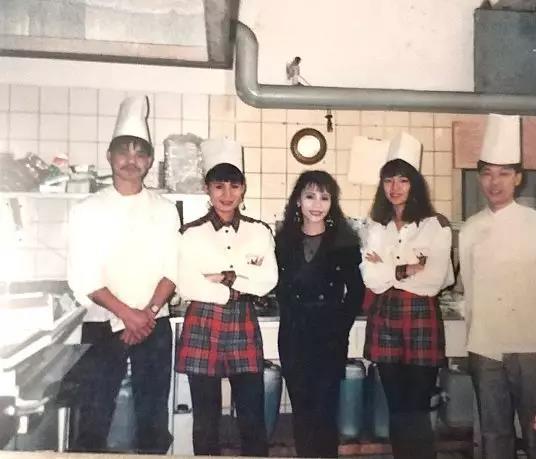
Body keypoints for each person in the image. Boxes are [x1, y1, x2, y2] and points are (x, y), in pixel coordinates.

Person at [67, 95, 178, 453]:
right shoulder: (87, 209)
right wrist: (128, 315)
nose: (131, 160)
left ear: (149, 161)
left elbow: (172, 268)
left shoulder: (164, 209)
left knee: (153, 421)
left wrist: (147, 313)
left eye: (139, 153)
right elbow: (83, 275)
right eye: (123, 151)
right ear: (109, 156)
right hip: (102, 324)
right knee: (93, 418)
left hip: (153, 323)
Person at [459, 113, 536, 459]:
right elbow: (469, 288)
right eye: (487, 173)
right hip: (485, 345)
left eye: (504, 173)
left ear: (518, 178)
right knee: (494, 435)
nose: (495, 182)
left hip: (530, 345)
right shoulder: (470, 229)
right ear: (480, 177)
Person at [175, 138, 277, 457]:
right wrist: (235, 286)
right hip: (202, 322)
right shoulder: (191, 233)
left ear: (243, 189)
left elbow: (268, 281)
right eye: (219, 186)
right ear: (207, 189)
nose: (227, 194)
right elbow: (186, 285)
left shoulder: (259, 232)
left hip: (242, 322)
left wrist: (224, 276)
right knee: (206, 419)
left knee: (251, 415)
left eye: (234, 186)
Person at [361, 154, 454, 459]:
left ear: (415, 184)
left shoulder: (435, 225)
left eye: (403, 180)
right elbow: (371, 279)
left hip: (421, 318)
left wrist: (387, 268)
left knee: (416, 408)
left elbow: (434, 281)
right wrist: (407, 269)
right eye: (388, 180)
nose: (395, 187)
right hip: (385, 317)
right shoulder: (376, 226)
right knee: (397, 408)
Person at [275, 170, 365, 458]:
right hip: (293, 337)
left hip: (329, 338)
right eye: (310, 196)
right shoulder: (283, 242)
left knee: (325, 412)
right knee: (302, 412)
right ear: (298, 201)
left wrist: (339, 326)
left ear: (332, 203)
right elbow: (279, 288)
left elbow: (356, 292)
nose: (317, 204)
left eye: (324, 198)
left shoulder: (344, 242)